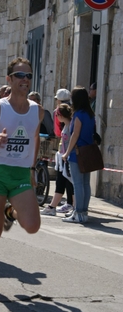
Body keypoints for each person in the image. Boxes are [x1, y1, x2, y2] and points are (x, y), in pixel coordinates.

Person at [0, 57, 43, 291]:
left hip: (21, 174)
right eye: (21, 76)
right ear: (10, 79)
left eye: (29, 76)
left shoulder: (37, 111)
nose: (25, 80)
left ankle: (11, 211)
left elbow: (34, 139)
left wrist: (32, 169)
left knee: (32, 225)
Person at [62, 86, 96, 223]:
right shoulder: (90, 114)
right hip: (88, 151)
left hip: (77, 152)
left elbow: (75, 135)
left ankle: (78, 212)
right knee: (86, 184)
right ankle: (84, 212)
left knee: (77, 184)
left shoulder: (78, 115)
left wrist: (66, 153)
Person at [41, 104, 74, 216]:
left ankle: (54, 207)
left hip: (66, 159)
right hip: (63, 158)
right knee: (62, 183)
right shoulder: (66, 125)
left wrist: (65, 154)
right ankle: (53, 206)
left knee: (68, 184)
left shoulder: (69, 126)